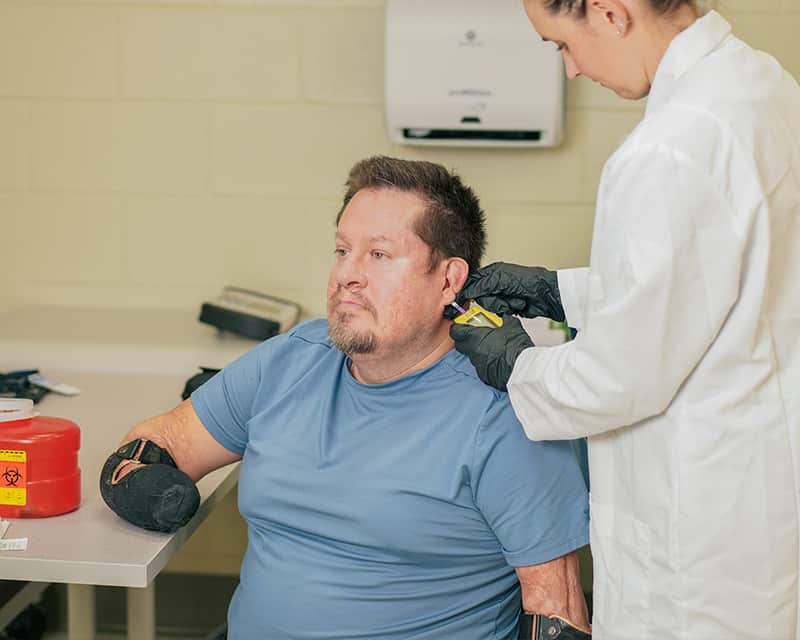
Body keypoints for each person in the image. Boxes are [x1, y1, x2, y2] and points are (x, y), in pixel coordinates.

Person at [99, 156, 594, 640]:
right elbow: (156, 444)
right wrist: (150, 492)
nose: (347, 275)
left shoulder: (506, 409)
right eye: (342, 251)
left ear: (449, 279)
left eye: (378, 255)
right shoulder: (290, 361)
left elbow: (558, 615)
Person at [450, 2, 800, 639]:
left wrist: (516, 365)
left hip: (696, 538)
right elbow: (713, 278)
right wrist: (562, 293)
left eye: (561, 43)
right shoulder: (761, 85)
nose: (571, 70)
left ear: (610, 13)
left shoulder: (669, 148)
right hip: (756, 487)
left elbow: (616, 379)